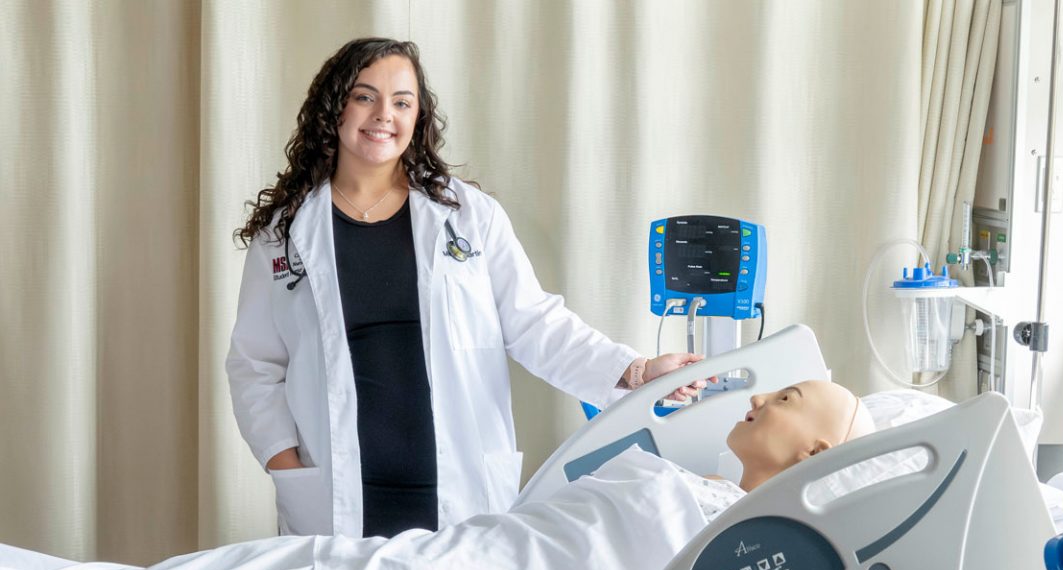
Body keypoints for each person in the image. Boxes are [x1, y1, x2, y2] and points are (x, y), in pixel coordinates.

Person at [0, 381, 876, 570]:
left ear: (815, 459)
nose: (758, 395)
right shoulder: (687, 490)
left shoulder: (729, 551)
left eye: (787, 399)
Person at [225, 37, 711, 538]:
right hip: (335, 495)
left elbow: (535, 323)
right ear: (335, 107)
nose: (383, 115)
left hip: (458, 490)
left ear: (418, 118)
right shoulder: (285, 234)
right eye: (365, 96)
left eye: (401, 102)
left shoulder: (467, 217)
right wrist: (286, 466)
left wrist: (635, 370)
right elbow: (255, 366)